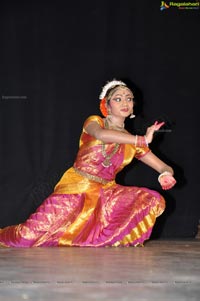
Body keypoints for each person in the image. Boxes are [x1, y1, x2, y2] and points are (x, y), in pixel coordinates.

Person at [0, 79, 176, 248]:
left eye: (129, 98)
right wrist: (141, 139)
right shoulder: (94, 122)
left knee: (151, 199)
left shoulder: (134, 143)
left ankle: (102, 242)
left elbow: (163, 166)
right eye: (118, 98)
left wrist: (165, 174)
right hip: (76, 189)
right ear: (107, 106)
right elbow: (101, 135)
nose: (125, 102)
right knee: (25, 237)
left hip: (106, 196)